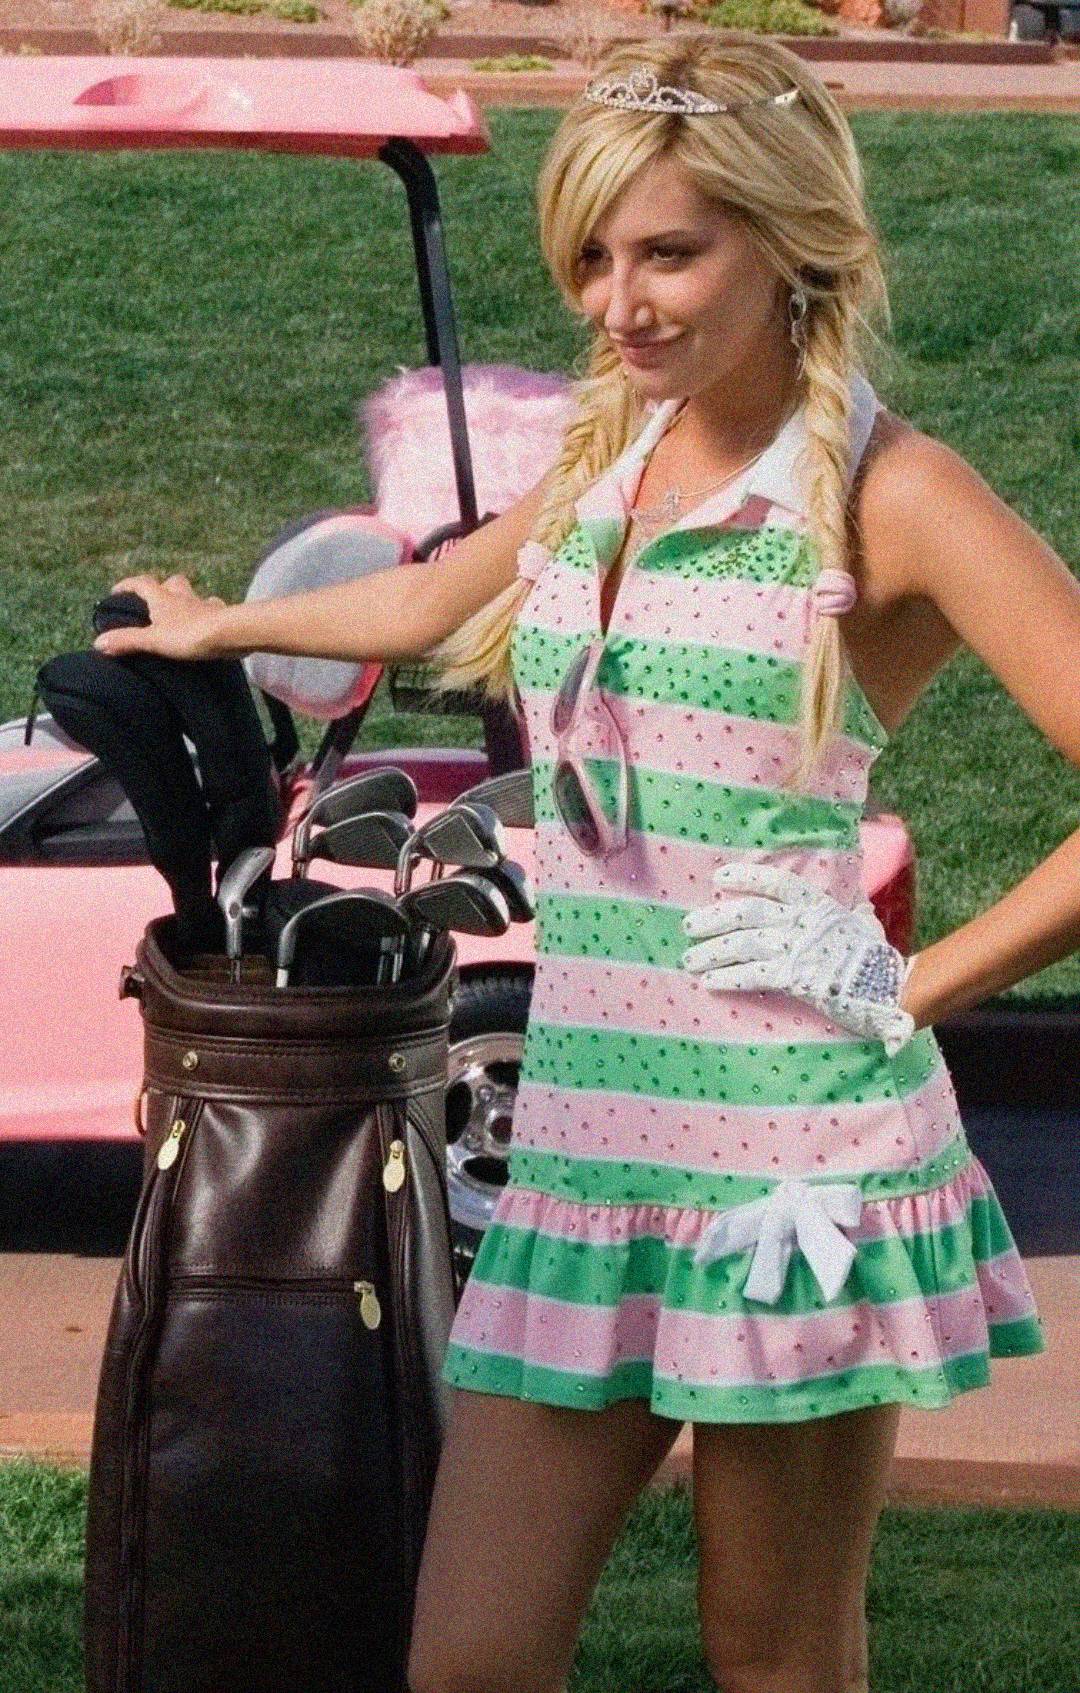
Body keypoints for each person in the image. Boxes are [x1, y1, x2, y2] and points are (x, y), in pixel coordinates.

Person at [91, 33, 1078, 1693]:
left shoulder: (893, 494)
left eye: (670, 250)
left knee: (773, 1660)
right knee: (469, 1656)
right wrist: (228, 622)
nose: (619, 301)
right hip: (587, 1144)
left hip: (794, 1162)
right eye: (594, 258)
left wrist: (918, 982)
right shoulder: (610, 463)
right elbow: (428, 599)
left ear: (789, 242)